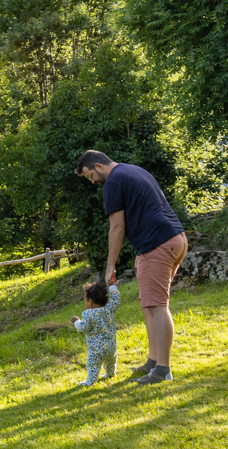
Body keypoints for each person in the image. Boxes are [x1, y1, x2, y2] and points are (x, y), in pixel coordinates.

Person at [75, 151, 188, 384]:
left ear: (98, 166)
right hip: (176, 239)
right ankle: (153, 361)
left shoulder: (113, 182)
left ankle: (163, 370)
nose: (92, 181)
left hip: (157, 244)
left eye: (90, 176)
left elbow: (117, 227)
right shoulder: (133, 170)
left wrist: (110, 266)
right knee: (148, 303)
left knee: (157, 305)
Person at [72, 277, 120, 386]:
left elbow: (83, 327)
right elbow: (116, 300)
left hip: (96, 349)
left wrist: (76, 322)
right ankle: (110, 374)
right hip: (111, 346)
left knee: (93, 365)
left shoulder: (88, 314)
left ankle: (90, 381)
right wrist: (112, 287)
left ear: (90, 301)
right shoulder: (109, 309)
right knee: (111, 361)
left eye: (85, 300)